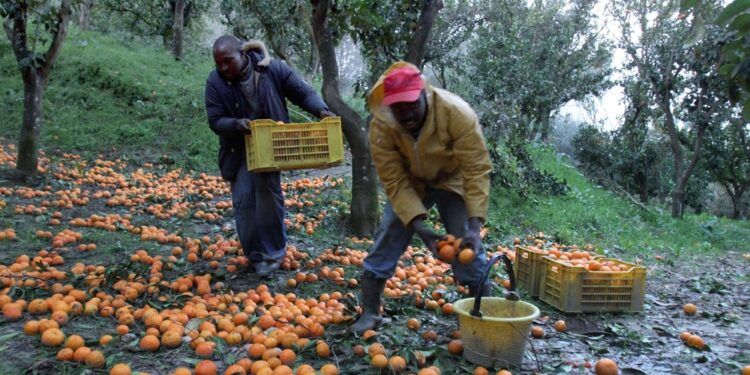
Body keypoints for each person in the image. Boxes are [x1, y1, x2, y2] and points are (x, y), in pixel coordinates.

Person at [351, 62, 493, 334]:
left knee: (465, 241)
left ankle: (482, 316)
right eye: (398, 107)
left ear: (423, 94)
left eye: (411, 104)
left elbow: (476, 169)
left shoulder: (456, 113)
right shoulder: (382, 127)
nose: (405, 113)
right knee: (390, 232)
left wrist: (475, 227)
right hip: (411, 182)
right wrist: (419, 228)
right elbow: (393, 179)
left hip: (452, 178)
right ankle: (370, 313)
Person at [205, 36, 334, 278]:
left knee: (267, 197)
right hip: (238, 149)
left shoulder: (271, 69)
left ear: (242, 54)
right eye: (218, 63)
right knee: (244, 201)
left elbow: (303, 93)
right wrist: (235, 124)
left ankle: (273, 253)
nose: (223, 67)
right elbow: (215, 120)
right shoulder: (215, 82)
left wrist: (321, 110)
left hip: (270, 145)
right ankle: (255, 256)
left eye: (227, 61)